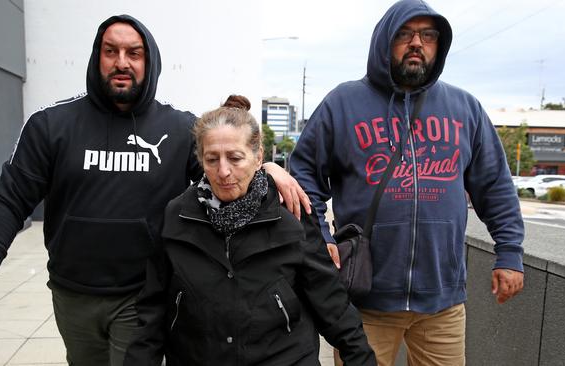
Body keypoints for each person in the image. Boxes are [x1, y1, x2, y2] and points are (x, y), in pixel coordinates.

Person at [0, 15, 309, 366]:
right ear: (98, 58)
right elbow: (9, 201)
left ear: (149, 61)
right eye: (111, 51)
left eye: (133, 53)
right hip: (72, 294)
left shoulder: (179, 128)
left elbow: (226, 173)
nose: (121, 62)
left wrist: (266, 167)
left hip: (144, 293)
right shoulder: (51, 125)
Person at [289, 1, 525, 365]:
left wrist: (509, 252)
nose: (417, 43)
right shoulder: (343, 104)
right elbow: (303, 176)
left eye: (428, 35)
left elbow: (494, 186)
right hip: (366, 300)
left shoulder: (465, 109)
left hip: (442, 303)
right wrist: (320, 237)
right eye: (405, 34)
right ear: (385, 41)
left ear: (439, 45)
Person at [123, 95, 377, 366]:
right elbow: (152, 311)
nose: (223, 171)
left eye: (235, 158)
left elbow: (331, 302)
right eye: (212, 159)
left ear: (258, 158)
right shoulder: (177, 215)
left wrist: (360, 358)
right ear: (200, 160)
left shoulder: (291, 214)